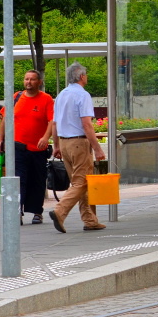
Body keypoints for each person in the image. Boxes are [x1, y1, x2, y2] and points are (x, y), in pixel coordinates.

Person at [49, 63, 106, 233]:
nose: (86, 77)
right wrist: (97, 148)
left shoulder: (61, 95)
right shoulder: (83, 95)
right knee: (81, 182)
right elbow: (87, 124)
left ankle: (89, 219)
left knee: (79, 182)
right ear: (81, 76)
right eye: (86, 74)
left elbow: (54, 123)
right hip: (79, 143)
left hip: (65, 143)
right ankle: (60, 211)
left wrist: (57, 145)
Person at [0, 70, 55, 225]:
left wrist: (45, 137)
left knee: (37, 180)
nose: (28, 82)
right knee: (18, 180)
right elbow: (4, 120)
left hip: (38, 149)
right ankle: (17, 212)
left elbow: (52, 121)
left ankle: (37, 212)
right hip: (18, 148)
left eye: (32, 79)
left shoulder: (46, 99)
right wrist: (0, 139)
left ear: (39, 82)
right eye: (26, 79)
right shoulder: (16, 97)